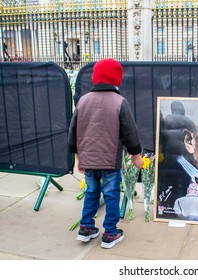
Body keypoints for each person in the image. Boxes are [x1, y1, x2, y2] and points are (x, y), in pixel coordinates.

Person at [68, 58, 144, 249]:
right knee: (111, 196)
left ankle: (86, 228)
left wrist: (77, 156)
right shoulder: (120, 102)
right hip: (110, 161)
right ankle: (110, 233)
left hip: (89, 160)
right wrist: (136, 156)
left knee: (91, 192)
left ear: (95, 78)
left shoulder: (83, 101)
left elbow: (73, 131)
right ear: (117, 79)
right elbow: (130, 132)